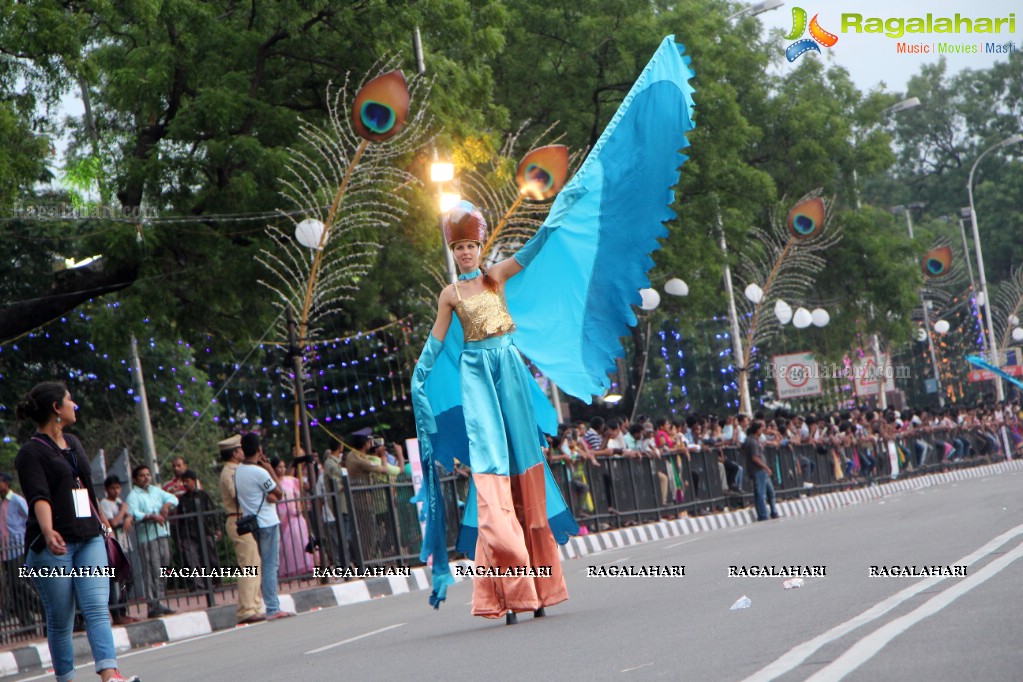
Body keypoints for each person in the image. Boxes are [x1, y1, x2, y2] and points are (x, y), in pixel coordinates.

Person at [413, 202, 575, 624]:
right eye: (459, 247)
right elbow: (435, 342)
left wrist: (555, 218)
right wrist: (419, 375)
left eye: (471, 245)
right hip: (478, 377)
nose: (466, 252)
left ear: (480, 246)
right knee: (491, 475)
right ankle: (510, 588)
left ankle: (540, 587)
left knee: (525, 468)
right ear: (453, 251)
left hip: (510, 372)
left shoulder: (495, 276)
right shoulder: (450, 295)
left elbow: (532, 251)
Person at [14, 381, 140, 682]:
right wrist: (47, 530)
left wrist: (102, 522)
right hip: (52, 547)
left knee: (97, 607)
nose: (75, 405)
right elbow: (38, 497)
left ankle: (111, 675)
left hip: (89, 538)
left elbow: (83, 485)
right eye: (70, 400)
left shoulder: (74, 442)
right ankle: (67, 679)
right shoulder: (30, 453)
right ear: (56, 408)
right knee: (61, 619)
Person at [235, 433, 294, 620]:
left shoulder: (239, 471)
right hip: (267, 522)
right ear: (260, 450)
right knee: (270, 566)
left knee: (265, 564)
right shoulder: (260, 472)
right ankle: (273, 607)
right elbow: (279, 491)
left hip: (252, 523)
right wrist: (270, 468)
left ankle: (270, 605)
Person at [217, 434, 264, 624]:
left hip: (244, 520)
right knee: (249, 566)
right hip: (238, 520)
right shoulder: (230, 472)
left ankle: (254, 604)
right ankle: (246, 609)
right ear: (236, 452)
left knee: (254, 562)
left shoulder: (238, 469)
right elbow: (237, 495)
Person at [126, 464, 178, 618]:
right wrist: (150, 516)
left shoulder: (155, 490)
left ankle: (159, 601)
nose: (146, 477)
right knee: (151, 569)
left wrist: (166, 506)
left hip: (162, 533)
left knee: (163, 566)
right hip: (147, 537)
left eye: (147, 474)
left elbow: (173, 498)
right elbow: (133, 512)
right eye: (142, 475)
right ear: (135, 479)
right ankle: (152, 604)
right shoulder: (133, 495)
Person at [0, 471, 45, 626]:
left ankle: (42, 607)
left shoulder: (17, 500)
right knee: (13, 588)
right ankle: (26, 622)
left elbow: (30, 517)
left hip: (18, 548)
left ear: (7, 483)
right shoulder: (2, 504)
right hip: (6, 551)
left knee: (19, 583)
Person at [98, 475, 138, 625]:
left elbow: (129, 518)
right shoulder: (105, 504)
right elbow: (113, 522)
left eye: (118, 488)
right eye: (112, 488)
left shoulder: (120, 503)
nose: (116, 491)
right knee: (115, 581)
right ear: (107, 489)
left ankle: (123, 610)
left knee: (129, 579)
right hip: (113, 547)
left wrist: (127, 517)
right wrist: (123, 511)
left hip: (124, 544)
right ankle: (116, 613)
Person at [174, 470, 222, 591]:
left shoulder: (203, 495)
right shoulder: (182, 499)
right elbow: (180, 520)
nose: (185, 484)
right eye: (183, 481)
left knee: (211, 557)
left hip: (205, 530)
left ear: (193, 480)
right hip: (188, 533)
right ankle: (199, 586)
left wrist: (217, 528)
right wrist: (180, 537)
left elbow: (212, 512)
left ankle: (217, 582)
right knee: (192, 559)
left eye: (187, 481)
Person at [271, 457, 313, 578]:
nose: (282, 469)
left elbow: (300, 493)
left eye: (284, 467)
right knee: (288, 546)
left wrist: (299, 507)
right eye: (279, 467)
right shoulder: (272, 483)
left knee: (301, 541)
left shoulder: (291, 480)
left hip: (296, 516)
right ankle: (292, 569)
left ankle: (306, 566)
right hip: (283, 518)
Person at [742, 419, 779, 522]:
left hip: (762, 470)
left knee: (770, 492)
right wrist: (765, 467)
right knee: (760, 493)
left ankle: (773, 511)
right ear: (757, 430)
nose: (764, 429)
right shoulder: (752, 442)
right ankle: (763, 514)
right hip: (758, 470)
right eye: (761, 428)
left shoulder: (755, 440)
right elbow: (754, 457)